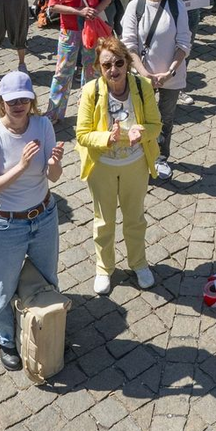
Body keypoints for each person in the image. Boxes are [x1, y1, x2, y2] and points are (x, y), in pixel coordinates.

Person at [0, 71, 64, 372]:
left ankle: (46, 325)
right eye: (12, 101)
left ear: (32, 101)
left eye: (24, 100)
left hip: (43, 216)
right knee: (4, 285)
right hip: (6, 225)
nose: (19, 106)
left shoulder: (42, 125)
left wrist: (54, 163)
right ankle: (5, 337)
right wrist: (22, 165)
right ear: (2, 102)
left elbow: (52, 177)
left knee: (47, 278)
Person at [75, 38, 162, 294]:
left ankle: (139, 263)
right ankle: (104, 268)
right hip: (102, 166)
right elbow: (81, 134)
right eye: (107, 65)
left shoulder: (141, 85)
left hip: (135, 165)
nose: (114, 70)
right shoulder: (91, 91)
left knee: (135, 218)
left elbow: (157, 125)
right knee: (104, 221)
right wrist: (106, 138)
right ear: (98, 68)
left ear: (127, 63)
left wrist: (143, 133)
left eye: (119, 63)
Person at [121, 0, 192, 181]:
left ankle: (161, 158)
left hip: (171, 76)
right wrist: (143, 73)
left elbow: (184, 43)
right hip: (142, 77)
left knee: (165, 119)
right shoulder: (135, 6)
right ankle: (140, 155)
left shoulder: (177, 6)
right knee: (141, 118)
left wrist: (169, 72)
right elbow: (128, 44)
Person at [46, 0, 113, 121]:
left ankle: (88, 109)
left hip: (91, 30)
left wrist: (95, 10)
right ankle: (54, 112)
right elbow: (53, 6)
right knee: (63, 72)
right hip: (70, 30)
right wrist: (79, 11)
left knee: (91, 69)